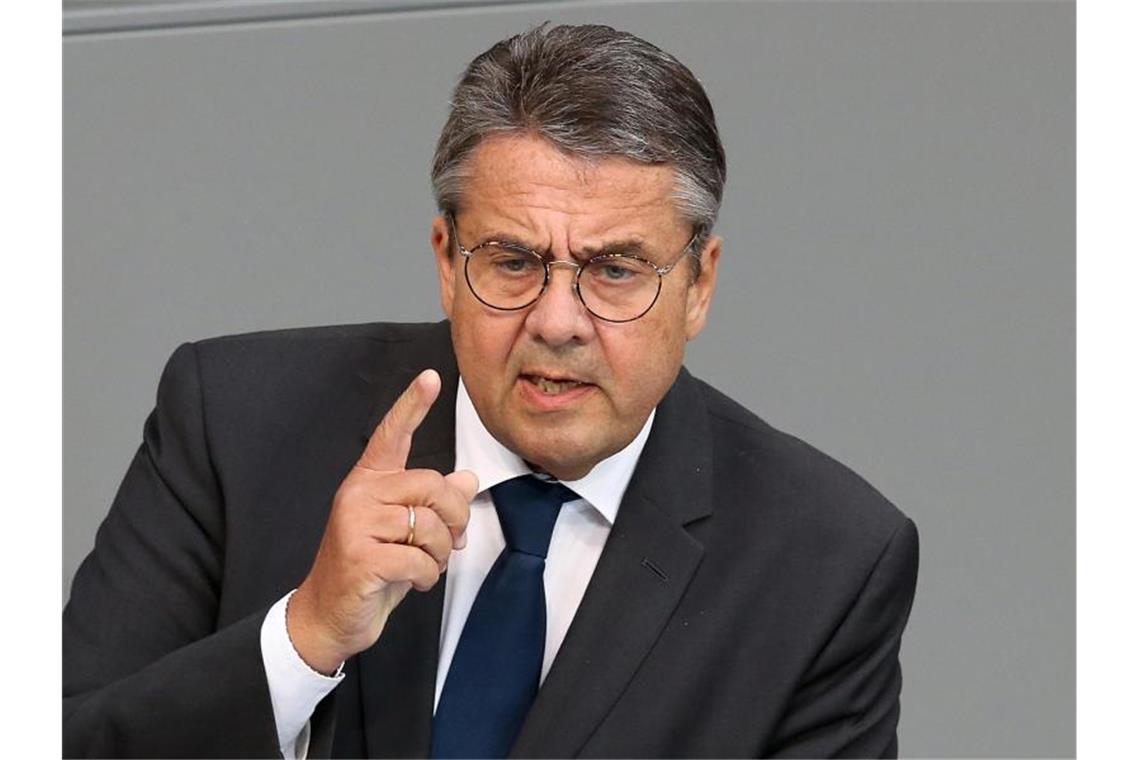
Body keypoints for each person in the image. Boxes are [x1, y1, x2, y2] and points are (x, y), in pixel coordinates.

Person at [63, 23, 919, 759]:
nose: (557, 321)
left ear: (700, 285)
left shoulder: (826, 561)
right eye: (512, 262)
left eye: (616, 270)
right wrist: (304, 638)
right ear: (445, 258)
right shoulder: (235, 422)